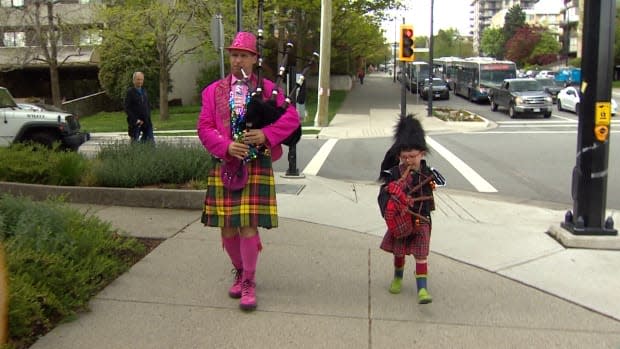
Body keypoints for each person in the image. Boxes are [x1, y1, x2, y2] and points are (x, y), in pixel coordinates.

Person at [196, 32, 300, 311]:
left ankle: (249, 282)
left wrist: (266, 134)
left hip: (255, 165)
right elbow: (204, 127)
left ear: (255, 59)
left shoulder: (268, 90)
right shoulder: (213, 91)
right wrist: (226, 146)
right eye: (233, 54)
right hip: (226, 163)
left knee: (247, 225)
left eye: (243, 55)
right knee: (228, 228)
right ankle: (240, 270)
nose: (237, 59)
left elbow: (292, 118)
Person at [378, 115, 437, 304]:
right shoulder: (393, 173)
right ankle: (398, 276)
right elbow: (384, 195)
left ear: (422, 153)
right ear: (398, 155)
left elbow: (431, 196)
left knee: (421, 254)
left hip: (420, 219)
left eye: (413, 156)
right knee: (399, 251)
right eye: (405, 157)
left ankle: (422, 290)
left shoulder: (428, 174)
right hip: (400, 221)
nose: (409, 160)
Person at [124, 71, 154, 143]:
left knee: (150, 142)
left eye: (141, 79)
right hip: (136, 122)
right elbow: (127, 108)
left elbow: (147, 105)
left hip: (146, 121)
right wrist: (136, 120)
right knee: (134, 143)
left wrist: (148, 117)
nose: (140, 81)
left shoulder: (144, 91)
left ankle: (146, 151)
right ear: (133, 80)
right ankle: (135, 153)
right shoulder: (130, 92)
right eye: (138, 79)